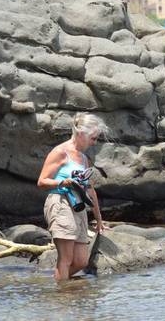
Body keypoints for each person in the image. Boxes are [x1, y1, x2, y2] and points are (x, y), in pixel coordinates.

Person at [37, 113, 107, 282]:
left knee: (81, 261)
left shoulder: (83, 159)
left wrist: (99, 220)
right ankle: (63, 301)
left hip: (78, 206)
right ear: (81, 133)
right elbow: (41, 181)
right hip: (60, 203)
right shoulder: (60, 152)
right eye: (93, 138)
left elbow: (90, 190)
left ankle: (62, 290)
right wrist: (62, 183)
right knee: (66, 259)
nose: (94, 143)